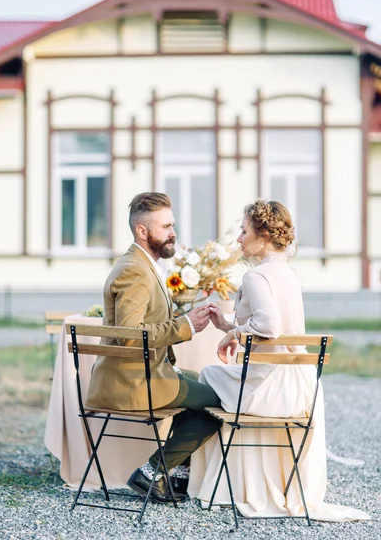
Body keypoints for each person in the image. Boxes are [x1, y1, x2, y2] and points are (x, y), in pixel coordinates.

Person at [187, 199, 369, 522]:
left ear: (263, 235)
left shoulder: (255, 278)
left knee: (206, 376)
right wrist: (228, 324)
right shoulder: (289, 273)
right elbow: (274, 327)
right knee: (217, 377)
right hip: (300, 382)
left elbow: (267, 326)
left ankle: (211, 479)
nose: (239, 239)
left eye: (244, 232)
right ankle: (229, 479)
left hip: (269, 386)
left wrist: (232, 336)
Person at [86, 192, 222, 503]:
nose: (173, 232)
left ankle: (171, 477)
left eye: (173, 225)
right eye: (166, 227)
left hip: (141, 373)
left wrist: (184, 319)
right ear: (142, 231)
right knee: (219, 404)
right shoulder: (134, 269)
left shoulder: (143, 264)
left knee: (199, 381)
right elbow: (131, 335)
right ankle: (152, 472)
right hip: (131, 381)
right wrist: (184, 326)